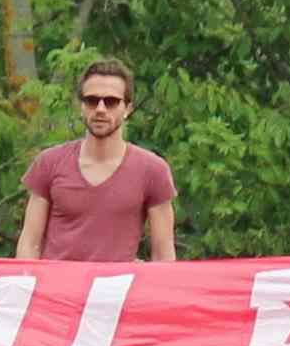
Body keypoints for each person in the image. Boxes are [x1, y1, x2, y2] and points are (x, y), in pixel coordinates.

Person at [15, 57, 174, 261]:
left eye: (111, 102)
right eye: (91, 100)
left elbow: (163, 254)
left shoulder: (153, 170)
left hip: (117, 281)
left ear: (128, 108)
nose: (100, 109)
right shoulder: (49, 162)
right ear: (81, 106)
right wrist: (27, 278)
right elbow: (29, 243)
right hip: (56, 281)